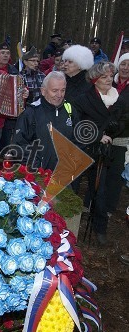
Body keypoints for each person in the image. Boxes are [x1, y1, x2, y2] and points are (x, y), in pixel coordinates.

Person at [74, 61, 127, 246]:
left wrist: (114, 128)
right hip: (84, 149)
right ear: (95, 79)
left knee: (100, 190)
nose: (109, 80)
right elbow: (77, 124)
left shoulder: (117, 98)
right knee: (73, 187)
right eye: (104, 77)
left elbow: (122, 121)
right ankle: (67, 224)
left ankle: (100, 228)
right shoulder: (83, 99)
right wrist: (98, 135)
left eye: (111, 76)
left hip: (104, 154)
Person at [12, 71, 79, 171]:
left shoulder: (69, 110)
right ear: (43, 91)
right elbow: (18, 144)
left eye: (63, 90)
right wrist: (36, 165)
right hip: (38, 176)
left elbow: (77, 139)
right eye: (55, 90)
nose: (59, 95)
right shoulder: (31, 113)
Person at [106, 53, 129, 217]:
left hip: (122, 136)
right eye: (123, 64)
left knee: (115, 173)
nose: (125, 68)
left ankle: (109, 206)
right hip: (104, 134)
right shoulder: (108, 83)